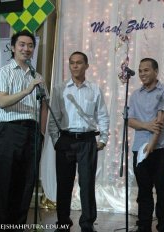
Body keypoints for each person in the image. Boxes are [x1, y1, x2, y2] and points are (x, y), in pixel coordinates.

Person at [0, 30, 48, 229]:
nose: (26, 49)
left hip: (32, 134)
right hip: (9, 131)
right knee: (6, 184)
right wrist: (26, 90)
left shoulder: (37, 76)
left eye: (30, 45)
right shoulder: (3, 71)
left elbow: (44, 106)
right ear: (13, 47)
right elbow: (2, 101)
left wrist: (41, 133)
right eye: (22, 44)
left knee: (25, 187)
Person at [48, 51, 110, 232]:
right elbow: (54, 118)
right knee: (64, 183)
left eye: (79, 63)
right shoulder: (60, 89)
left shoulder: (94, 89)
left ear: (87, 66)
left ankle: (87, 223)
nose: (75, 66)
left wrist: (103, 138)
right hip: (66, 141)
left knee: (87, 183)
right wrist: (55, 141)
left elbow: (103, 115)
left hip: (87, 141)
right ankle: (63, 222)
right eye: (72, 63)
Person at [128, 58, 164, 232]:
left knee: (161, 187)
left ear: (156, 71)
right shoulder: (135, 95)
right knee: (144, 189)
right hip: (139, 148)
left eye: (146, 70)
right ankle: (143, 225)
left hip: (161, 147)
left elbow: (160, 120)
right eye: (140, 71)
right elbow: (130, 121)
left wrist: (152, 144)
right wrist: (146, 125)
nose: (142, 74)